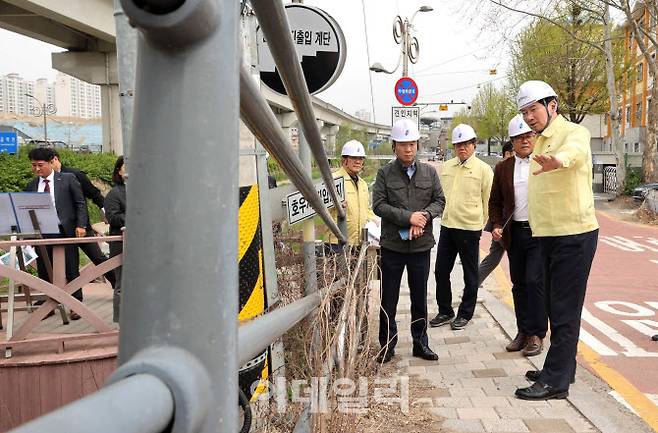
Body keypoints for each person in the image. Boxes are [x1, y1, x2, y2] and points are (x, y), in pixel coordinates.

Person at [514, 80, 598, 401]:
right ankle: (563, 368)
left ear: (552, 106)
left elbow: (573, 154)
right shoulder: (540, 140)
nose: (529, 118)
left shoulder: (573, 132)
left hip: (573, 235)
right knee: (552, 305)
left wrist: (559, 161)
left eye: (533, 109)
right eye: (524, 112)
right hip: (549, 236)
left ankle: (555, 382)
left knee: (564, 310)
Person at [372, 118, 445, 363]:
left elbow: (439, 201)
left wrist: (423, 217)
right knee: (388, 298)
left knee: (419, 296)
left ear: (417, 145)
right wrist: (408, 218)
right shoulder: (384, 174)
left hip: (421, 246)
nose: (408, 149)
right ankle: (387, 345)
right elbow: (379, 205)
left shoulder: (430, 172)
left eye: (412, 144)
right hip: (392, 246)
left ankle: (420, 343)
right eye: (403, 144)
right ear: (394, 146)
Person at [489, 115, 547, 357]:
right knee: (519, 284)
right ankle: (522, 331)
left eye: (528, 135)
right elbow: (495, 201)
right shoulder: (503, 168)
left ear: (535, 137)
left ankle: (536, 334)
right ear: (511, 141)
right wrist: (496, 224)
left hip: (539, 232)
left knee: (535, 282)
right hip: (515, 234)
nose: (524, 140)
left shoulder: (543, 163)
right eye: (519, 137)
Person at [430, 124, 493, 330]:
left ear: (474, 145)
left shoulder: (483, 169)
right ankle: (445, 310)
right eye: (458, 144)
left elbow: (488, 201)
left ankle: (465, 313)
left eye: (466, 144)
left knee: (470, 274)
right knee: (440, 271)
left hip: (469, 228)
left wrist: (480, 224)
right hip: (448, 226)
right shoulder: (448, 167)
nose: (462, 148)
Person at [25, 147, 88, 320]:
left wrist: (81, 224)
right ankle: (49, 305)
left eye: (40, 165)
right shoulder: (31, 185)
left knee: (71, 267)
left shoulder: (67, 179)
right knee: (45, 270)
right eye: (33, 166)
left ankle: (76, 305)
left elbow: (80, 203)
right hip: (42, 232)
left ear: (51, 162)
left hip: (64, 230)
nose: (37, 169)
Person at [51, 150, 116, 289]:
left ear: (55, 159)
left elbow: (94, 194)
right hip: (63, 229)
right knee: (70, 265)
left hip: (82, 226)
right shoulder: (47, 181)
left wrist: (107, 212)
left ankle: (118, 284)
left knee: (98, 258)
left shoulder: (76, 174)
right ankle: (75, 299)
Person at [328, 139, 378, 247]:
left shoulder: (363, 184)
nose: (358, 161)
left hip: (359, 244)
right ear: (344, 160)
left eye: (361, 158)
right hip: (336, 243)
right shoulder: (334, 181)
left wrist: (376, 220)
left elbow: (366, 210)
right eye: (354, 158)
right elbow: (321, 207)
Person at [478, 141, 514, 287]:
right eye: (513, 152)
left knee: (493, 257)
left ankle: (473, 283)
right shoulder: (501, 171)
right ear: (507, 154)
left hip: (504, 224)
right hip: (503, 224)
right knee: (496, 257)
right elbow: (495, 201)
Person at [104, 156, 126, 323]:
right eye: (126, 166)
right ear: (119, 171)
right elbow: (113, 217)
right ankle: (120, 321)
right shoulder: (114, 193)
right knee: (122, 283)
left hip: (142, 244)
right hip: (121, 243)